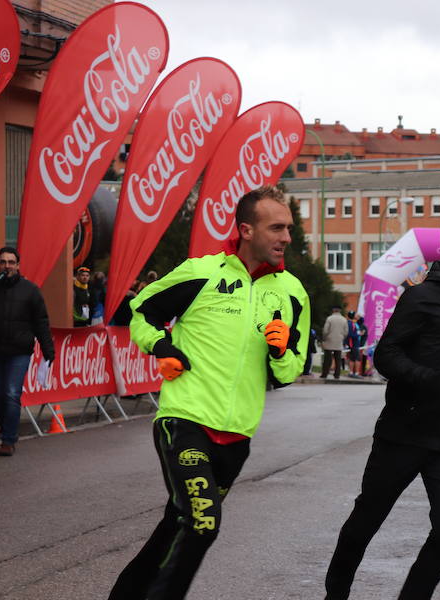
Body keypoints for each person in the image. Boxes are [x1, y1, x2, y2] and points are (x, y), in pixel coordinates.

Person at [109, 185, 310, 600]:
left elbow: (290, 370)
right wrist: (161, 346)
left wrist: (279, 349)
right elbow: (139, 313)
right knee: (202, 523)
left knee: (177, 525)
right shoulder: (202, 273)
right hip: (185, 421)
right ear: (246, 230)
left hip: (236, 437)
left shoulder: (292, 293)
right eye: (276, 228)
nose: (286, 238)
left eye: (288, 228)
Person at [324, 215, 440, 600]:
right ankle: (335, 595)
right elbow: (387, 355)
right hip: (405, 430)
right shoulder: (420, 297)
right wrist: (433, 380)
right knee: (365, 523)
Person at [0, 247, 55, 457]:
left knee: (11, 393)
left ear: (17, 265)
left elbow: (41, 321)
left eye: (11, 262)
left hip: (19, 351)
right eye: (3, 262)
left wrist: (47, 349)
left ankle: (8, 439)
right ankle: (6, 426)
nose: (7, 266)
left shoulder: (30, 290)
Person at [320, 306, 348, 379]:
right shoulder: (344, 319)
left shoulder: (330, 318)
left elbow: (325, 330)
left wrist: (324, 338)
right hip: (339, 341)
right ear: (340, 311)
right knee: (338, 359)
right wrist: (342, 337)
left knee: (327, 359)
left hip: (329, 340)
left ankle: (325, 373)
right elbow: (346, 332)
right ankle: (337, 374)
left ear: (333, 310)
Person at [345, 310, 361, 378]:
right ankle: (356, 373)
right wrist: (358, 334)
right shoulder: (351, 324)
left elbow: (361, 319)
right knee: (357, 358)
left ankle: (351, 372)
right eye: (355, 314)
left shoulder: (353, 323)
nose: (357, 315)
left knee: (352, 358)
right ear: (353, 316)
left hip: (354, 344)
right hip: (353, 344)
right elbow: (350, 334)